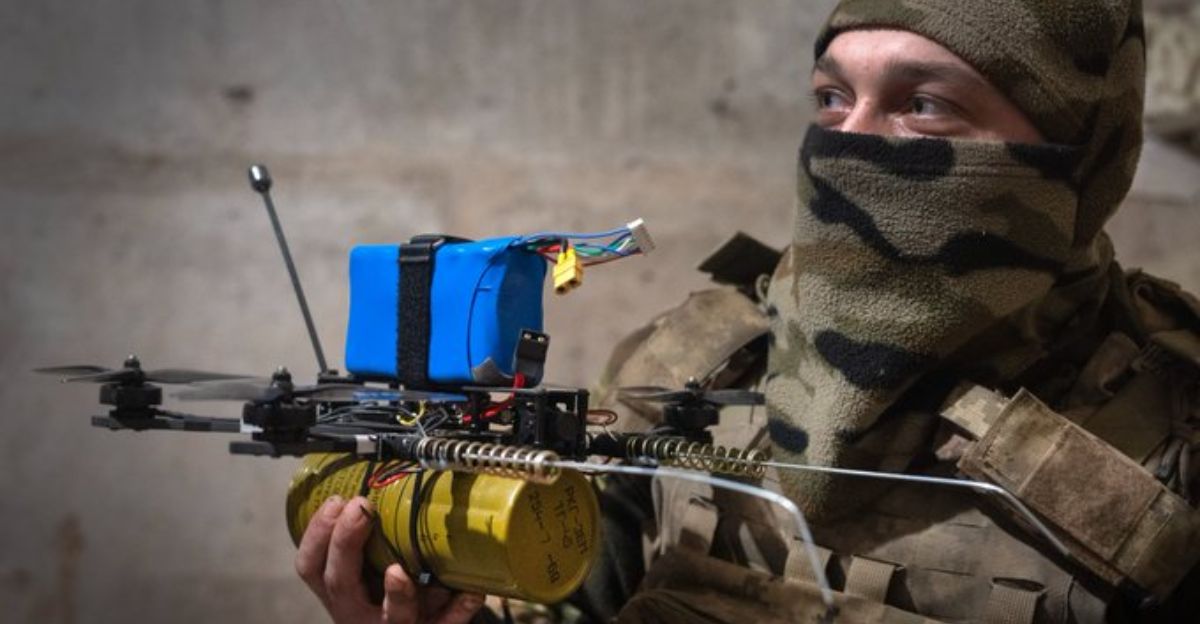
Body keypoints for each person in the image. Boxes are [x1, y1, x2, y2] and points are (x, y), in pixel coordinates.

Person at [299, 0, 1200, 621]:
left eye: (922, 106)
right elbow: (577, 602)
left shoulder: (1177, 422)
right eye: (832, 99)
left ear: (1079, 154)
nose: (848, 146)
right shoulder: (687, 363)